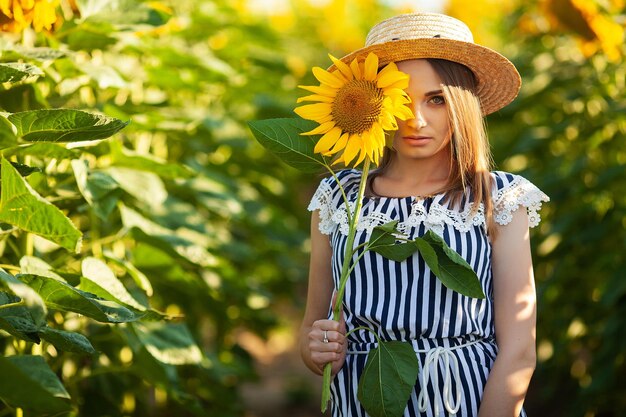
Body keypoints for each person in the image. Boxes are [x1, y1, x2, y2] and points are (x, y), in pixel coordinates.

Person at [299, 12, 550, 417]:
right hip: (365, 402)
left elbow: (519, 350)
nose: (416, 120)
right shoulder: (339, 196)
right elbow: (313, 331)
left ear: (462, 103)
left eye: (436, 99)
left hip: (466, 402)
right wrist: (318, 349)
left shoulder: (496, 197)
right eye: (399, 101)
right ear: (372, 106)